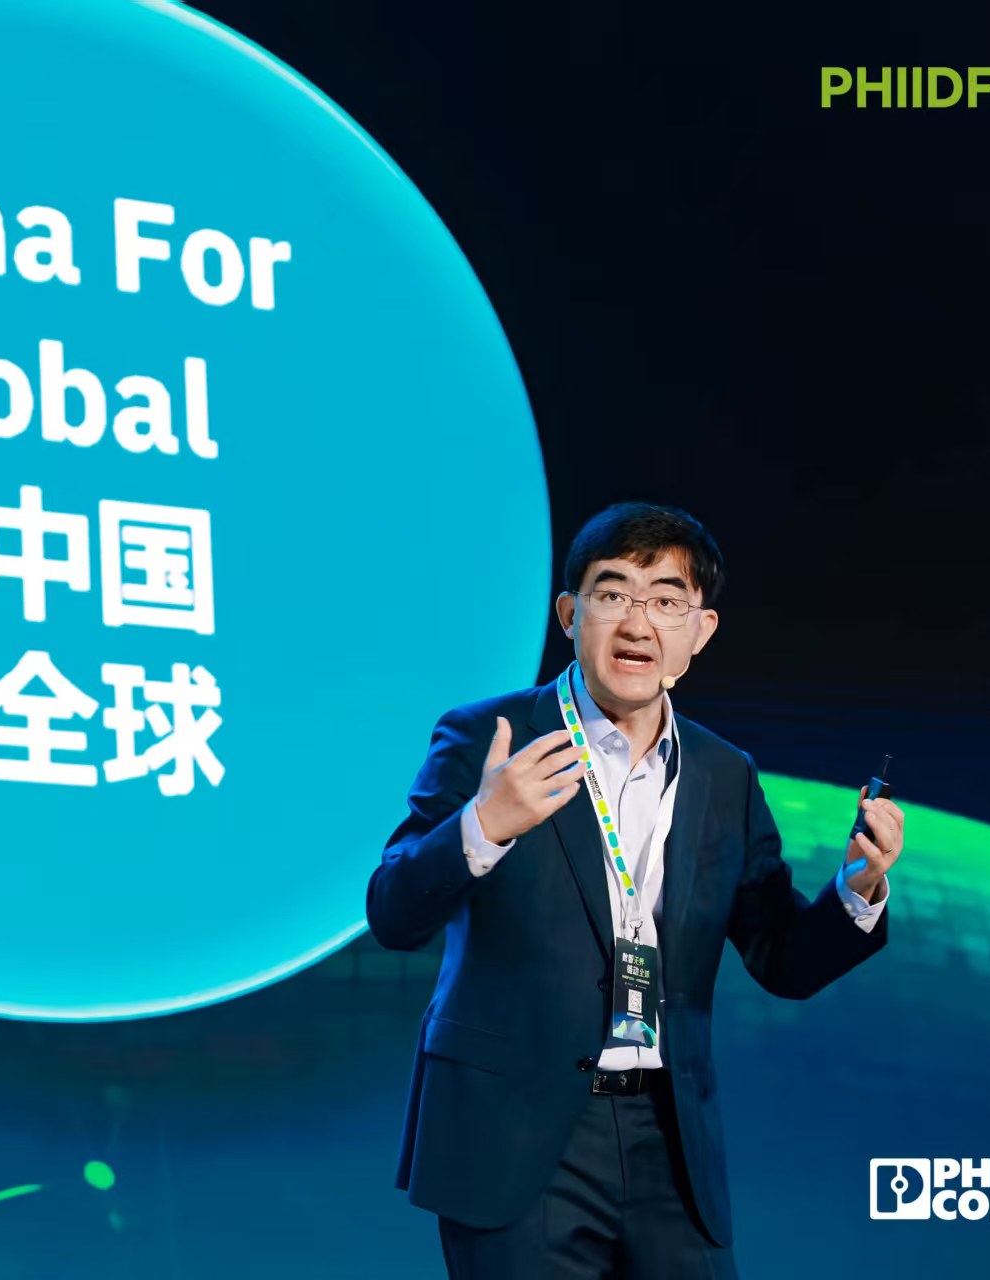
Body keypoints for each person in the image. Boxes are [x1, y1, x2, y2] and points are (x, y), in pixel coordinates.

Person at [367, 501, 905, 1279]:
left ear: (701, 630)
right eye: (614, 593)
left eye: (666, 601)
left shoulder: (724, 774)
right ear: (570, 614)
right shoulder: (490, 737)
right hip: (516, 1133)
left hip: (670, 1137)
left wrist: (859, 886)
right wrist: (483, 824)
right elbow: (393, 912)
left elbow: (782, 960)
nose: (637, 622)